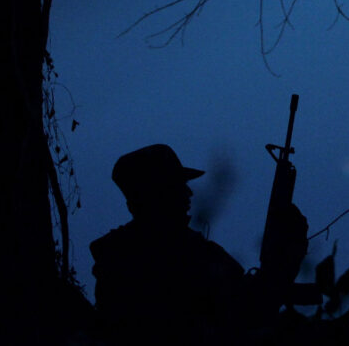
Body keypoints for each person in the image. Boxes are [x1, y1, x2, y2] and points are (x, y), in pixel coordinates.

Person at [90, 144, 307, 345]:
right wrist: (287, 254)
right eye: (178, 186)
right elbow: (252, 310)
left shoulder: (115, 254)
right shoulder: (189, 254)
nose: (189, 193)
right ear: (158, 195)